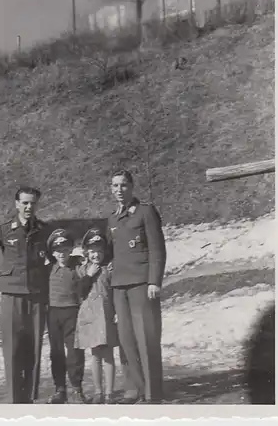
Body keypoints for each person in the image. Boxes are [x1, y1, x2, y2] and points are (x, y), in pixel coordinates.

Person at [0, 186, 49, 403]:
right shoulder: (5, 229)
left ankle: (30, 397)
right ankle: (13, 399)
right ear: (17, 204)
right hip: (11, 296)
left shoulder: (44, 229)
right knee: (12, 348)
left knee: (34, 348)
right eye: (25, 203)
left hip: (36, 296)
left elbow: (54, 254)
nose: (29, 207)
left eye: (32, 203)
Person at [107, 170, 167, 404]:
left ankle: (153, 394)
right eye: (114, 186)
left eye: (123, 185)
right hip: (119, 286)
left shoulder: (145, 211)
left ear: (131, 187)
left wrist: (154, 280)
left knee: (146, 338)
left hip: (142, 284)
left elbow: (157, 248)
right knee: (126, 340)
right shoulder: (112, 218)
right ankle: (138, 388)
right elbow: (109, 251)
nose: (118, 190)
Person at [46, 228, 100, 404]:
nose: (62, 254)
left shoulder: (78, 267)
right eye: (58, 250)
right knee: (56, 352)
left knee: (75, 352)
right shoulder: (47, 270)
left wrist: (89, 274)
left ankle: (77, 389)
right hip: (53, 313)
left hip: (73, 312)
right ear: (53, 252)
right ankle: (59, 389)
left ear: (71, 250)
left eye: (66, 250)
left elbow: (86, 283)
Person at [74, 228, 119, 404]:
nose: (96, 255)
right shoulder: (81, 270)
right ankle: (98, 391)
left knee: (108, 355)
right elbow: (79, 292)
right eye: (92, 251)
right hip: (90, 317)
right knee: (95, 356)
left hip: (106, 316)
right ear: (86, 252)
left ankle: (109, 392)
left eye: (100, 251)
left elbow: (115, 291)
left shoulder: (108, 270)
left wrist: (117, 313)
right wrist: (88, 275)